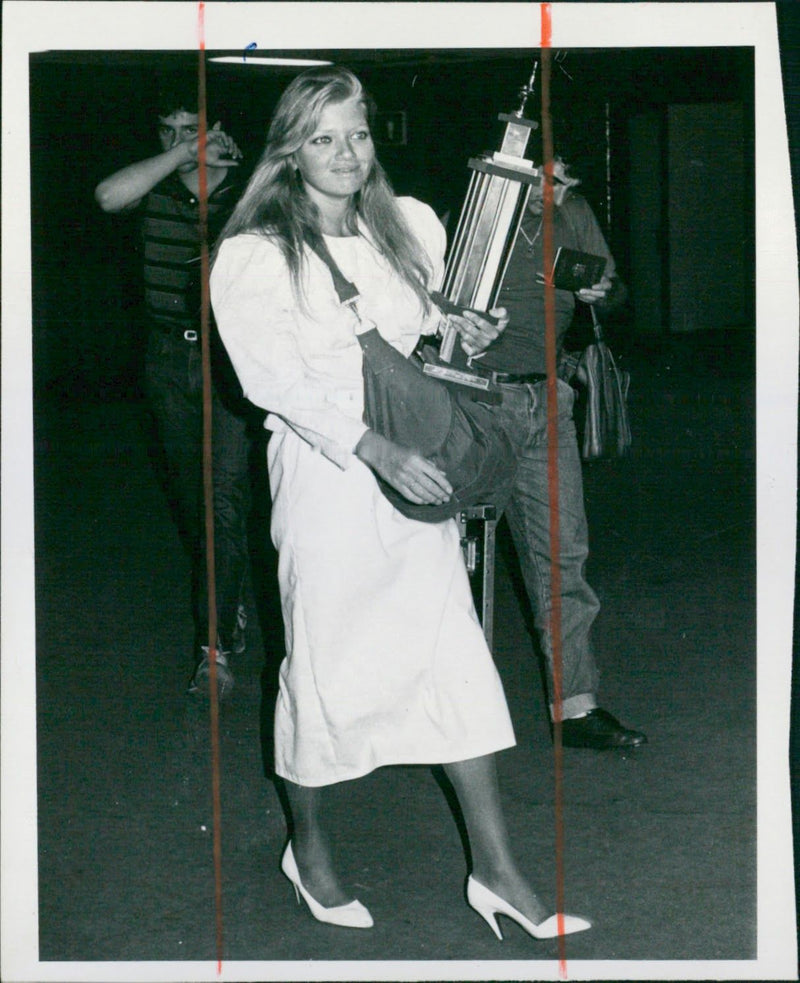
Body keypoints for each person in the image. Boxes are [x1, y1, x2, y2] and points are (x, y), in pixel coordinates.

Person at [210, 65, 590, 938]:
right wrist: (375, 449)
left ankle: (496, 870)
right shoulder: (255, 251)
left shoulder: (407, 222)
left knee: (449, 648)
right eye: (323, 138)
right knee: (324, 664)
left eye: (358, 133)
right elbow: (272, 381)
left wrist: (462, 331)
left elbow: (426, 335)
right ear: (290, 150)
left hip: (413, 466)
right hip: (329, 473)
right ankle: (309, 851)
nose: (347, 153)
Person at [459, 155, 648, 750]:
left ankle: (577, 708)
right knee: (450, 558)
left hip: (548, 398)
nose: (556, 192)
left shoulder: (574, 212)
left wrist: (602, 290)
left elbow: (617, 296)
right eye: (545, 178)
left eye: (567, 180)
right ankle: (447, 705)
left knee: (563, 556)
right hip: (475, 401)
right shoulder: (478, 210)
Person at [94, 78, 255, 698]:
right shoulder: (154, 183)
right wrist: (179, 155)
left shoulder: (247, 191)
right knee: (195, 502)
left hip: (229, 362)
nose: (180, 141)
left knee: (225, 499)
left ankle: (211, 650)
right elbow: (109, 197)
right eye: (169, 131)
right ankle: (228, 597)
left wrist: (236, 161)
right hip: (166, 361)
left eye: (193, 128)